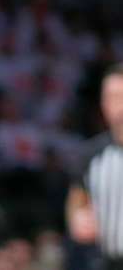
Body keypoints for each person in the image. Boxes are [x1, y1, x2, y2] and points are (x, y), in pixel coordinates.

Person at [67, 64, 123, 269]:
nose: (119, 106)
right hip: (107, 261)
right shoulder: (91, 155)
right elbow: (77, 202)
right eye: (112, 98)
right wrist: (77, 219)